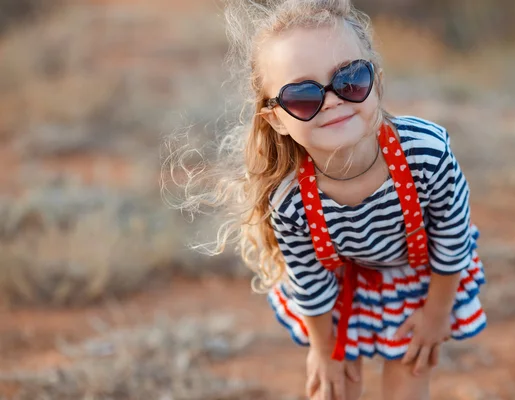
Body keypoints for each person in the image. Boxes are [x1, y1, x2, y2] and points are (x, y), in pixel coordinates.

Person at [164, 1, 486, 399]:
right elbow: (310, 283)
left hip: (423, 279)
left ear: (377, 83)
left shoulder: (427, 153)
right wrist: (323, 350)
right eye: (302, 95)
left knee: (410, 375)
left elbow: (453, 239)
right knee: (331, 387)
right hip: (339, 290)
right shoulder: (290, 199)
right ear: (277, 119)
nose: (333, 100)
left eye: (350, 79)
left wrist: (436, 315)